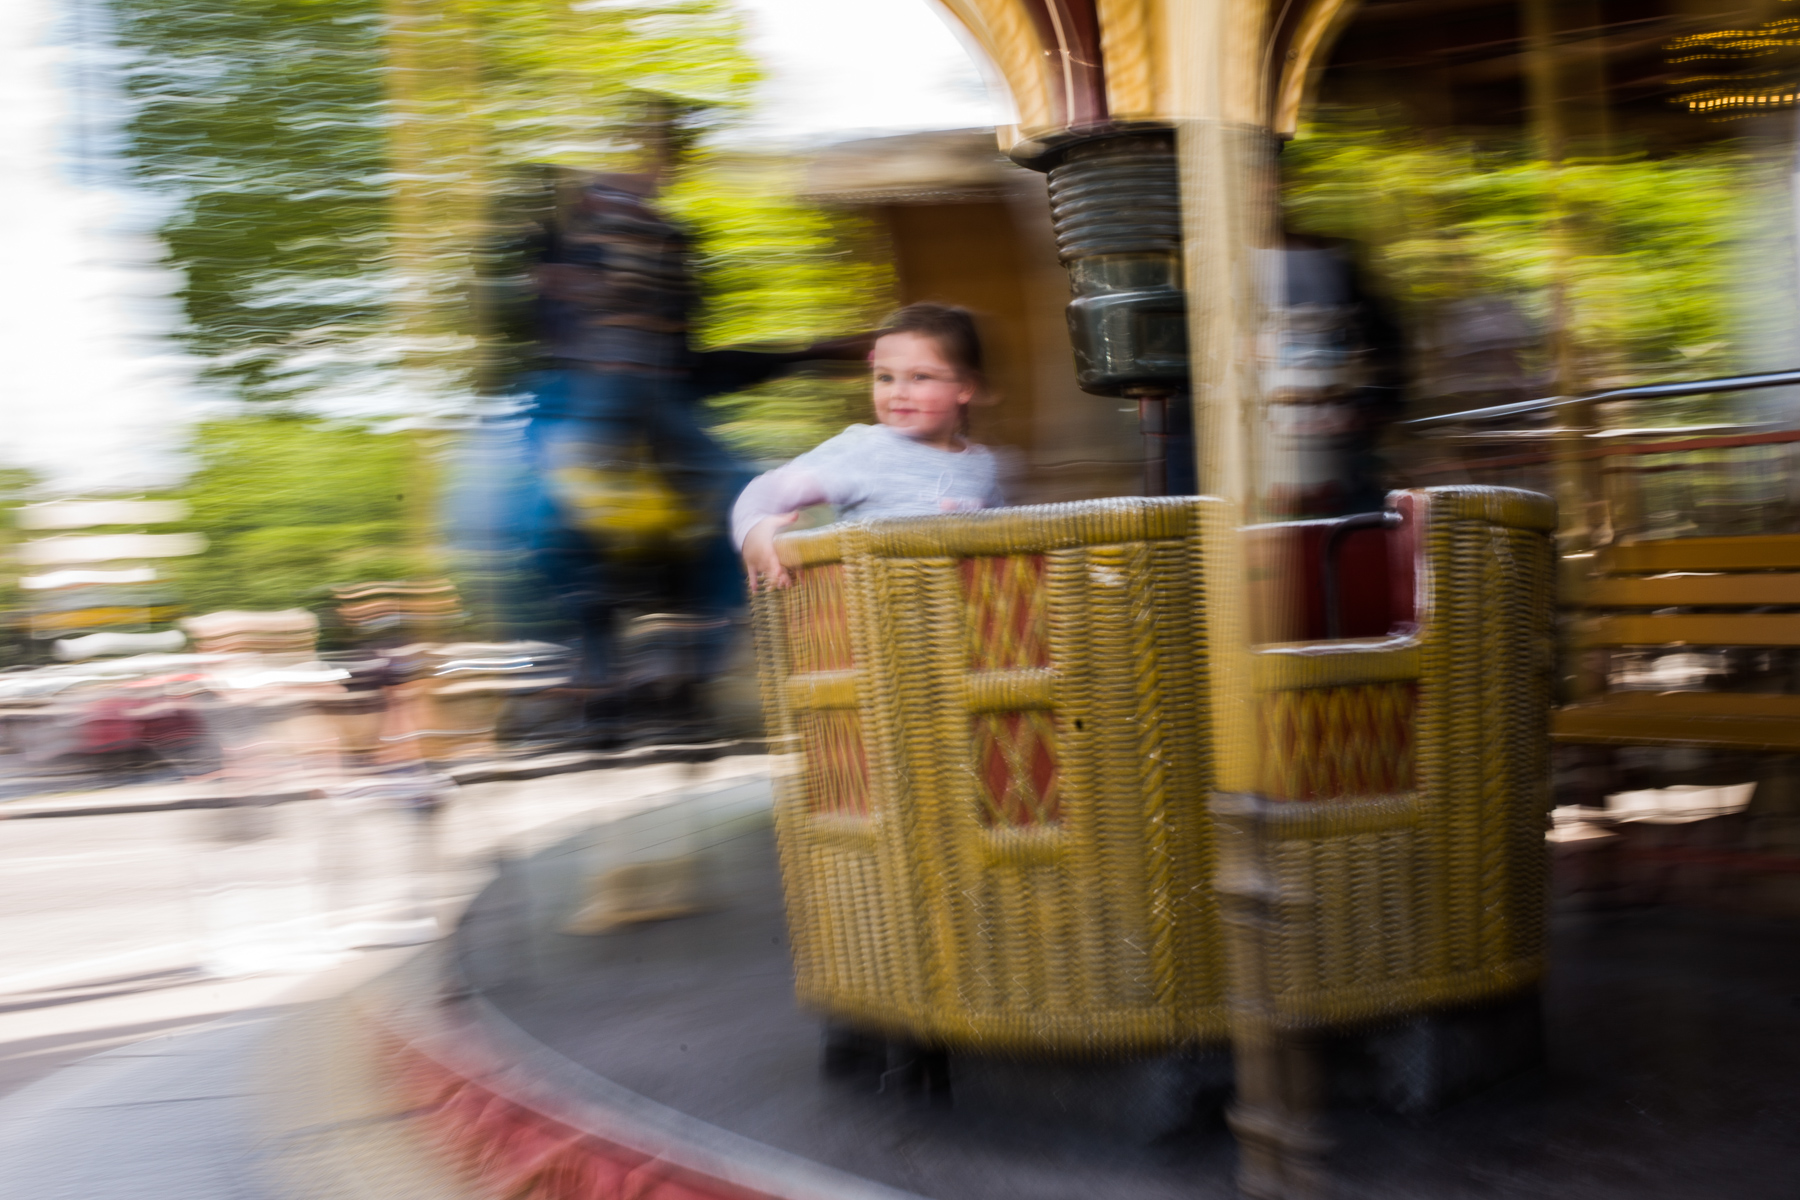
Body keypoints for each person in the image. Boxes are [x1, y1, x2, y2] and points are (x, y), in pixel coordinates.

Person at [734, 304, 1005, 592]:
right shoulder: (867, 450)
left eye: (920, 377)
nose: (897, 393)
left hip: (960, 619)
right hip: (879, 619)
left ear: (964, 387)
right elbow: (767, 490)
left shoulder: (983, 465)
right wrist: (753, 530)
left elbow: (1007, 540)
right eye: (884, 377)